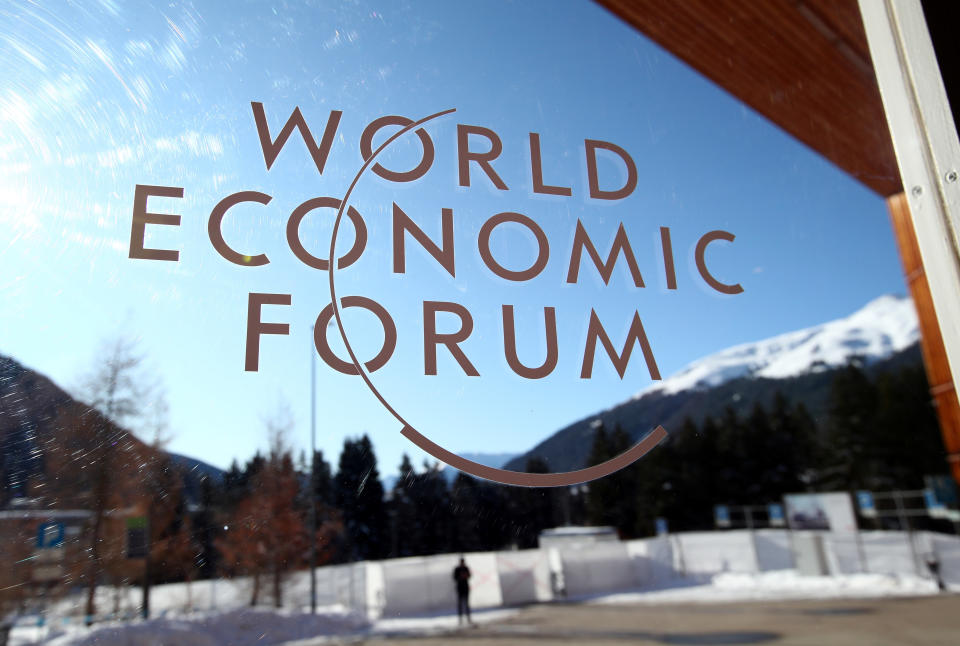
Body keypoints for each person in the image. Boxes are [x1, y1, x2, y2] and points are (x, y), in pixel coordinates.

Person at [452, 557, 472, 625]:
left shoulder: (466, 568)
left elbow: (469, 575)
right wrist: (460, 577)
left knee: (467, 603)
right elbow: (454, 577)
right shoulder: (457, 569)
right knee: (460, 604)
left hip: (465, 588)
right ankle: (460, 619)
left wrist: (465, 576)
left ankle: (468, 618)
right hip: (460, 588)